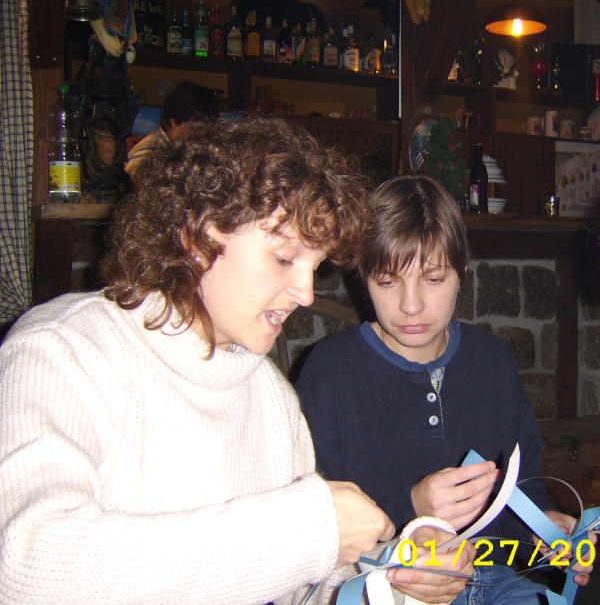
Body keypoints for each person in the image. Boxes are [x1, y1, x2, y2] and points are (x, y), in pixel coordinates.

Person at [0, 115, 474, 604]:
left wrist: (399, 578)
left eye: (314, 267)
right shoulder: (64, 352)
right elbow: (25, 570)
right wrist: (304, 530)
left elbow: (304, 586)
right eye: (285, 258)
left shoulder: (269, 395)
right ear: (197, 238)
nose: (306, 293)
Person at [297, 175, 594, 604]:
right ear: (363, 278)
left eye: (433, 279)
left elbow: (522, 489)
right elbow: (314, 527)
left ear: (462, 273)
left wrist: (543, 528)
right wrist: (410, 508)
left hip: (492, 577)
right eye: (388, 282)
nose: (411, 305)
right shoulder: (328, 372)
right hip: (390, 584)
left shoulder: (491, 360)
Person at [124, 80, 219, 179]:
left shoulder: (181, 151)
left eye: (209, 130)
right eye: (195, 129)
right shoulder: (148, 157)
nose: (203, 136)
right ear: (174, 122)